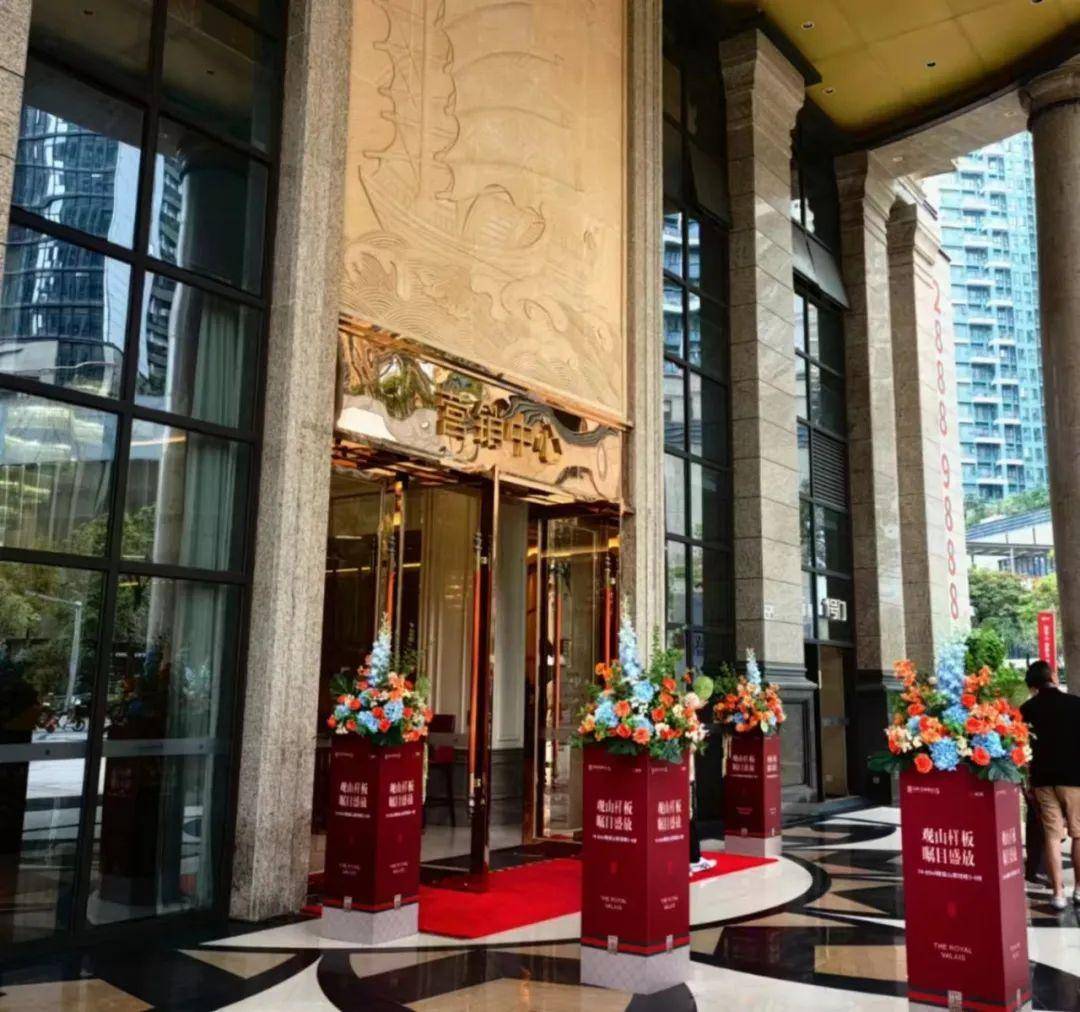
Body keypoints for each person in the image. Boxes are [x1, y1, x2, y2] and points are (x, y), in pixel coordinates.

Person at [1019, 659, 1080, 911]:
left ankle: (1058, 894)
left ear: (1032, 685)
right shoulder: (1076, 704)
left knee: (1052, 837)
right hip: (1074, 778)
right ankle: (1079, 889)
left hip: (1042, 780)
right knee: (1078, 833)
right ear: (1053, 677)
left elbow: (1021, 745)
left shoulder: (1026, 709)